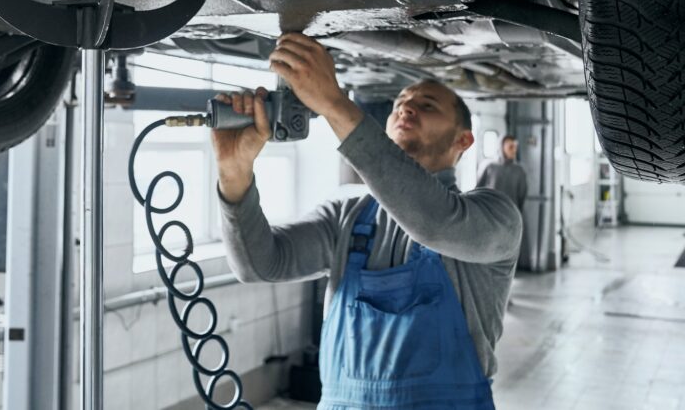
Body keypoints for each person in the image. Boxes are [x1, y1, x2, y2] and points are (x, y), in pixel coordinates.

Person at [214, 32, 522, 410]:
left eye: (426, 105)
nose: (406, 109)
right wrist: (235, 174)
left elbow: (433, 222)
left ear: (463, 141)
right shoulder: (347, 216)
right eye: (400, 103)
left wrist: (334, 104)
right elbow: (260, 264)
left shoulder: (494, 216)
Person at [476, 135, 528, 215]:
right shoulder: (490, 167)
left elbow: (522, 196)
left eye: (515, 147)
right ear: (502, 148)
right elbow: (478, 191)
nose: (514, 150)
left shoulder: (519, 170)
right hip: (491, 212)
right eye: (511, 147)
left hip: (511, 214)